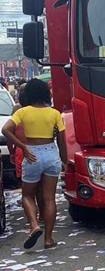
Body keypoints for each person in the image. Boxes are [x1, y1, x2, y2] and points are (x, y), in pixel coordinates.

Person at [2, 79, 66, 250]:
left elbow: (5, 129)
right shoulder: (55, 113)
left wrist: (22, 146)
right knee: (49, 199)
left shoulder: (23, 112)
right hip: (51, 153)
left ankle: (34, 225)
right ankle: (49, 239)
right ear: (46, 93)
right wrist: (65, 161)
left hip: (32, 154)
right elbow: (62, 141)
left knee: (27, 195)